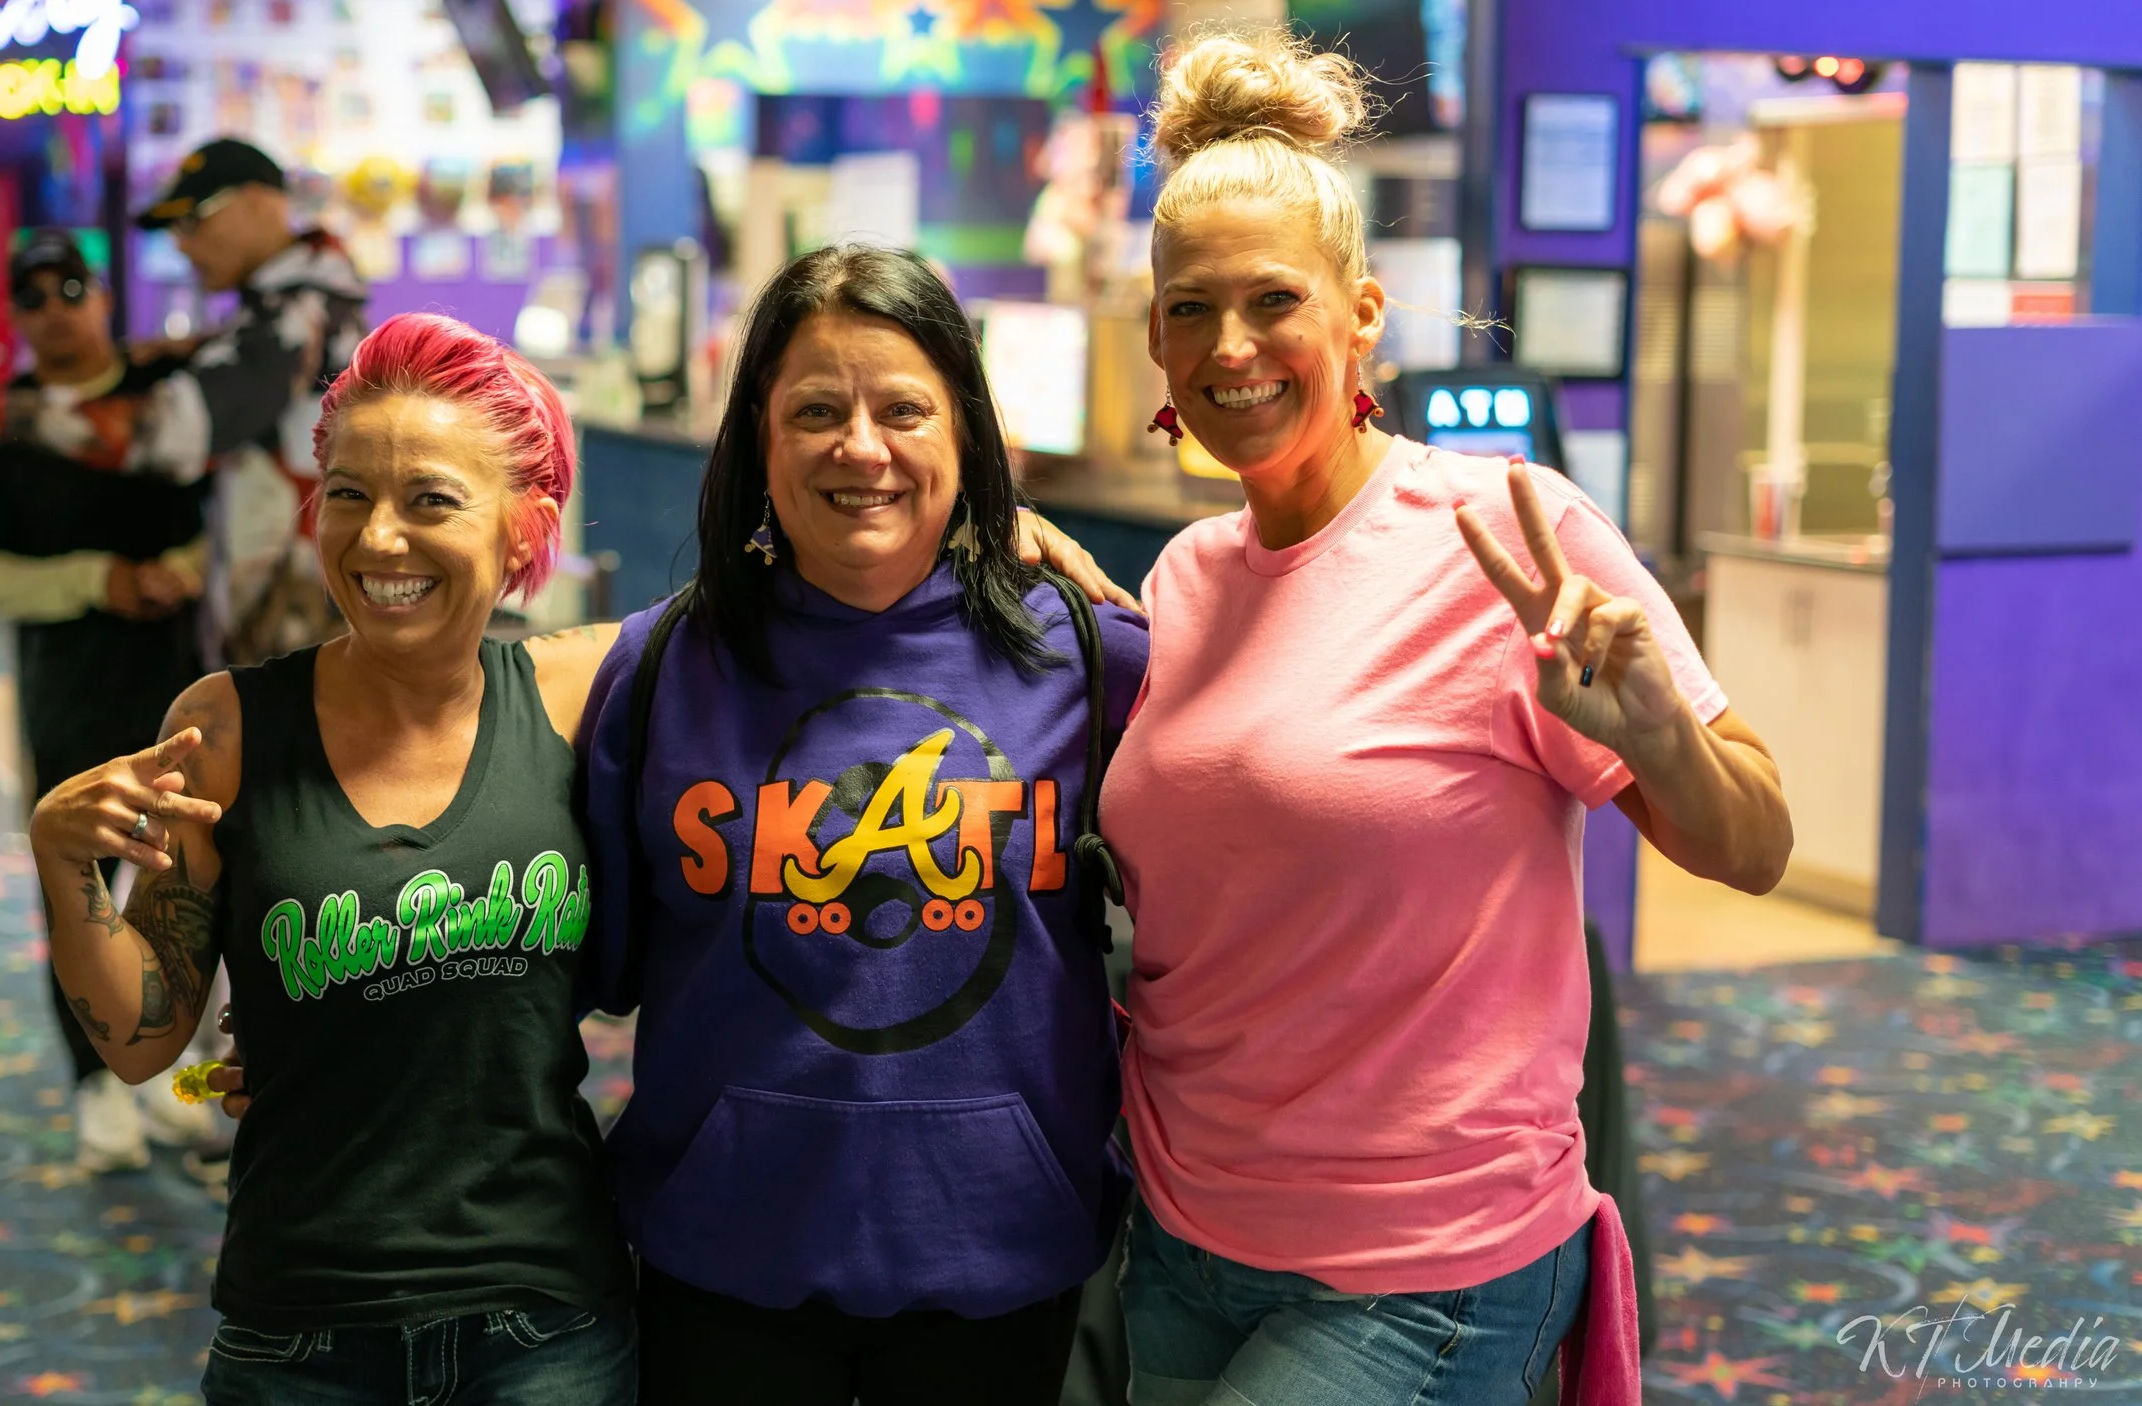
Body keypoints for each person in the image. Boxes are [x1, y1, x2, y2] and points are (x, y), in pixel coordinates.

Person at [1103, 33, 1793, 1405]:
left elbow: (1755, 842)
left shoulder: (1504, 538)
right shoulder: (1180, 580)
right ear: (1157, 341)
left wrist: (1657, 734)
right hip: (1184, 1232)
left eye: (1272, 300)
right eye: (1191, 310)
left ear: (1363, 315)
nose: (1230, 347)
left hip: (1425, 1263)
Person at [574, 244, 1150, 1406]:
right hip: (724, 1252)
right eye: (817, 411)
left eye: (904, 410)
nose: (862, 447)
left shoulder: (1094, 661)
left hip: (997, 1253)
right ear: (757, 435)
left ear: (966, 432)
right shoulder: (658, 668)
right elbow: (598, 965)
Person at [25, 314, 636, 1403]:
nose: (377, 539)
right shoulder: (227, 728)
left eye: (431, 499)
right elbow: (144, 1034)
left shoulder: (580, 692)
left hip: (543, 1317)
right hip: (301, 1321)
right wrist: (68, 869)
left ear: (526, 524)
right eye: (348, 494)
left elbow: (796, 589)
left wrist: (1027, 544)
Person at [0, 228, 225, 1173]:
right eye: (32, 296)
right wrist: (93, 580)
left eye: (70, 286)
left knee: (190, 882)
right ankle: (94, 1085)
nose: (55, 309)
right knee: (78, 891)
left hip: (193, 688)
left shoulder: (174, 404)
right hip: (71, 694)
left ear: (103, 296)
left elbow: (236, 516)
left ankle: (169, 1070)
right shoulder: (1, 431)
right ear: (15, 315)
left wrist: (179, 572)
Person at [0, 139, 370, 666]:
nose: (182, 245)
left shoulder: (292, 317)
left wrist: (11, 417)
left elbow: (171, 435)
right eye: (32, 300)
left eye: (193, 221)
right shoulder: (291, 310)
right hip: (276, 622)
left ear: (259, 203)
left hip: (292, 633)